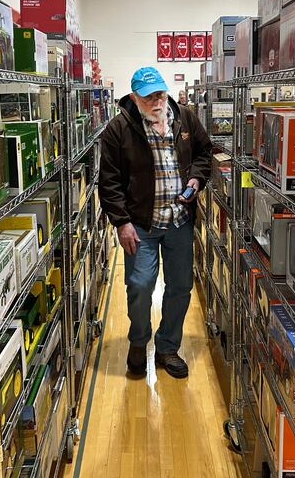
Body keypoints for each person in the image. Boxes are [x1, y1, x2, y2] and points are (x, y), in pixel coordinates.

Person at [99, 67, 212, 378]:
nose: (157, 101)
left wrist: (196, 179)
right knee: (139, 285)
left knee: (181, 286)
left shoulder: (185, 118)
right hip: (140, 224)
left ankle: (167, 347)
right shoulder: (118, 129)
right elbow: (108, 182)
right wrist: (121, 222)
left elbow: (204, 153)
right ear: (134, 97)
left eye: (160, 94)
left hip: (180, 221)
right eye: (149, 97)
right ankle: (138, 342)